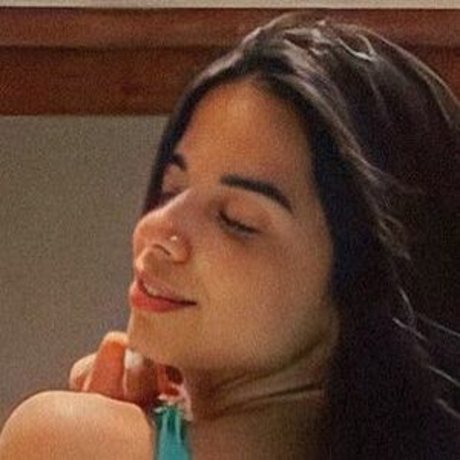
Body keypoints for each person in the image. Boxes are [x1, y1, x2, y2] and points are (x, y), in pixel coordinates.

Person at [0, 13, 459, 460]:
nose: (158, 229)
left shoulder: (62, 439)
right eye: (170, 190)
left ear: (363, 282)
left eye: (236, 220)